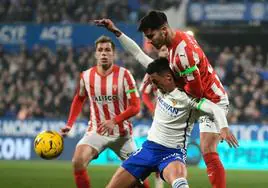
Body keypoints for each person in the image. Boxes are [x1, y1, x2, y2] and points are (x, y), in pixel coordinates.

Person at [94, 12, 234, 188]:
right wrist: (116, 32)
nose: (150, 41)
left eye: (151, 36)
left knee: (207, 149)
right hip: (159, 137)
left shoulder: (183, 56)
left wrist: (223, 126)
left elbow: (197, 94)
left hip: (212, 99)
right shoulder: (174, 46)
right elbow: (138, 54)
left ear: (164, 30)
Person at [105, 58, 238, 188]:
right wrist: (119, 34)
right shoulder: (160, 82)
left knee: (179, 182)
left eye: (155, 82)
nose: (154, 86)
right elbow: (138, 54)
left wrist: (224, 128)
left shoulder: (187, 98)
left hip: (172, 153)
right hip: (148, 149)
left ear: (168, 77)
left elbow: (215, 108)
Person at [60, 36, 148, 188]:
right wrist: (69, 124)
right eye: (100, 50)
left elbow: (136, 106)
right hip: (97, 131)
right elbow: (79, 98)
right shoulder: (86, 76)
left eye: (107, 50)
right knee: (78, 161)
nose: (104, 53)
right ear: (95, 54)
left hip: (122, 135)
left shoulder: (125, 75)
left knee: (139, 177)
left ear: (113, 54)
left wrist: (114, 121)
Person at [139, 46, 168, 188]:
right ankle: (159, 184)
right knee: (160, 149)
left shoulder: (177, 67)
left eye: (168, 49)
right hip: (161, 117)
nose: (166, 52)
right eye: (163, 50)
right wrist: (152, 109)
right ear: (159, 52)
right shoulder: (153, 69)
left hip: (179, 116)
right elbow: (144, 92)